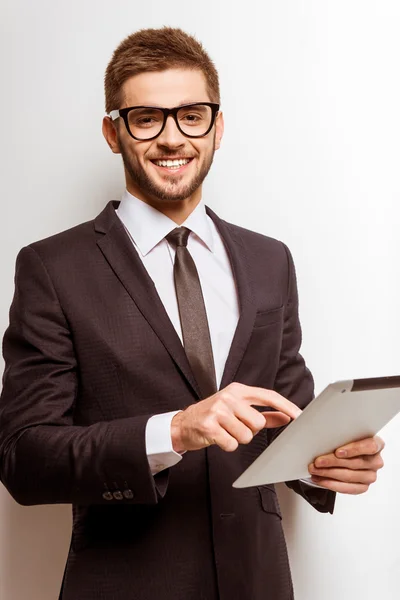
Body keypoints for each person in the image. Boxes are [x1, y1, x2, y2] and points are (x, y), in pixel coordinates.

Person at [0, 27, 385, 600]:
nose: (172, 137)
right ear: (114, 132)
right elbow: (24, 458)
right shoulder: (53, 268)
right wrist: (174, 430)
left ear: (218, 127)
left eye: (192, 115)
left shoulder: (269, 259)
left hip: (259, 583)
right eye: (147, 118)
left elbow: (287, 415)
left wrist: (326, 462)